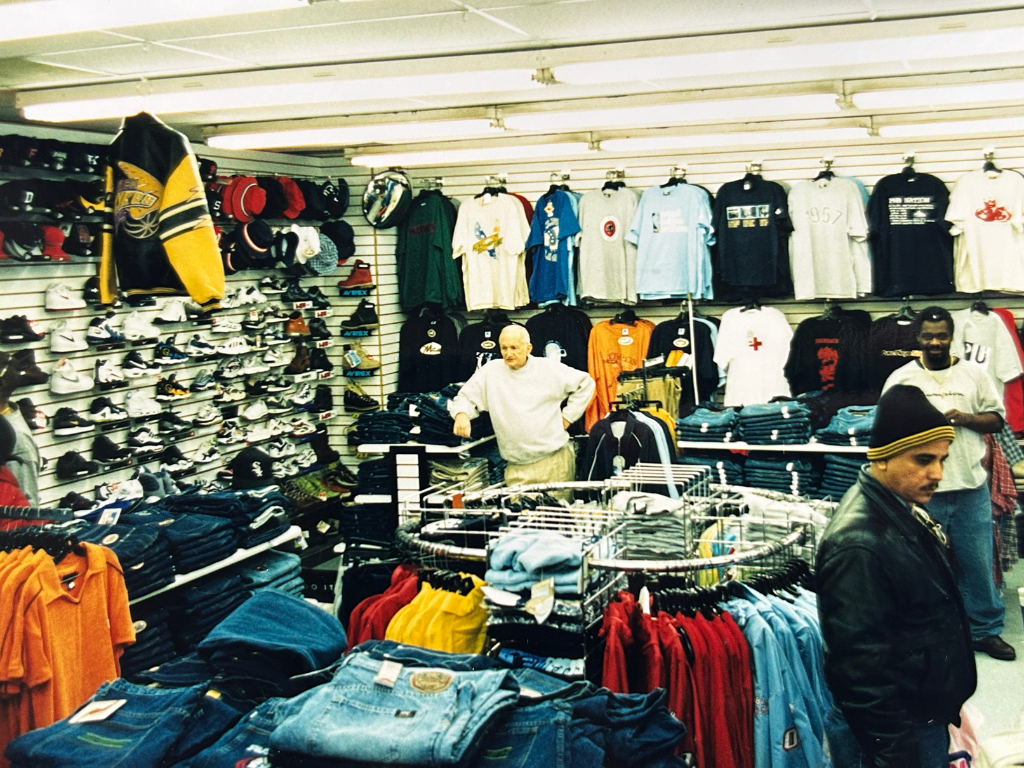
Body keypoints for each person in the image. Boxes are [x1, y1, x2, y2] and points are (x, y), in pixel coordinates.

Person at [817, 384, 976, 768]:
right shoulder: (860, 544)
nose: (937, 473)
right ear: (883, 457)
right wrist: (897, 755)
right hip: (893, 737)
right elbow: (861, 673)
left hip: (916, 720)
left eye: (942, 459)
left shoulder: (896, 511)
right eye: (923, 460)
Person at [882, 306, 1015, 661]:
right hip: (922, 492)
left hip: (971, 487)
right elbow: (885, 430)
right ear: (918, 338)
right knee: (922, 565)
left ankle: (985, 631)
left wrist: (966, 418)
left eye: (942, 335)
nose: (936, 342)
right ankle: (930, 632)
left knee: (978, 564)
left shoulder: (974, 374)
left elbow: (997, 421)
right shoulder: (902, 379)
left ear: (951, 336)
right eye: (929, 336)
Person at [449, 324, 595, 486]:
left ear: (528, 348)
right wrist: (461, 414)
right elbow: (465, 397)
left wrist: (568, 417)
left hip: (553, 462)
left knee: (556, 510)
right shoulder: (491, 372)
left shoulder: (548, 369)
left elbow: (586, 383)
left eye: (514, 348)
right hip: (515, 467)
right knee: (518, 511)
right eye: (504, 348)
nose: (508, 353)